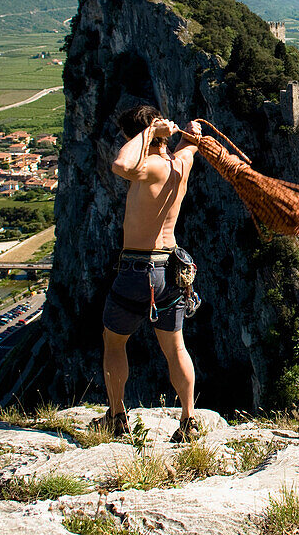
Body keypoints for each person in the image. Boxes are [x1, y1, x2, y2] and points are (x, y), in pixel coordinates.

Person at [101, 104, 202, 442]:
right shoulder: (179, 164)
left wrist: (149, 135)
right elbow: (191, 145)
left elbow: (120, 164)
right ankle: (188, 419)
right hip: (172, 270)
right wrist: (190, 133)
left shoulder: (151, 166)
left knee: (114, 343)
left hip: (137, 267)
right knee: (176, 349)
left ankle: (116, 416)